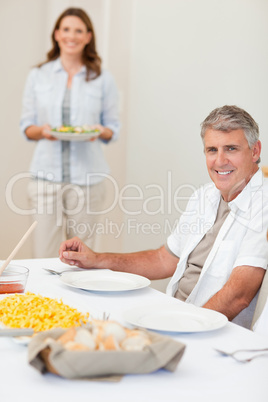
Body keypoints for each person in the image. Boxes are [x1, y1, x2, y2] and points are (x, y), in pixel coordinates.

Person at [59, 105, 268, 328]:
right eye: (212, 150)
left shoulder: (263, 204)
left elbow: (239, 295)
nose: (219, 160)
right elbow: (164, 260)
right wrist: (97, 260)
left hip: (205, 329)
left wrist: (180, 326)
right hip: (175, 315)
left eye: (231, 149)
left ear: (255, 151)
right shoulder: (205, 196)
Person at [20, 7, 120, 258]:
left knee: (81, 257)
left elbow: (112, 128)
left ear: (88, 36)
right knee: (44, 255)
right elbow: (27, 126)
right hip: (45, 179)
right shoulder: (38, 75)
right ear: (56, 34)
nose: (71, 36)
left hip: (87, 181)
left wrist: (100, 130)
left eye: (78, 30)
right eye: (66, 29)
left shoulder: (102, 78)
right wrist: (43, 131)